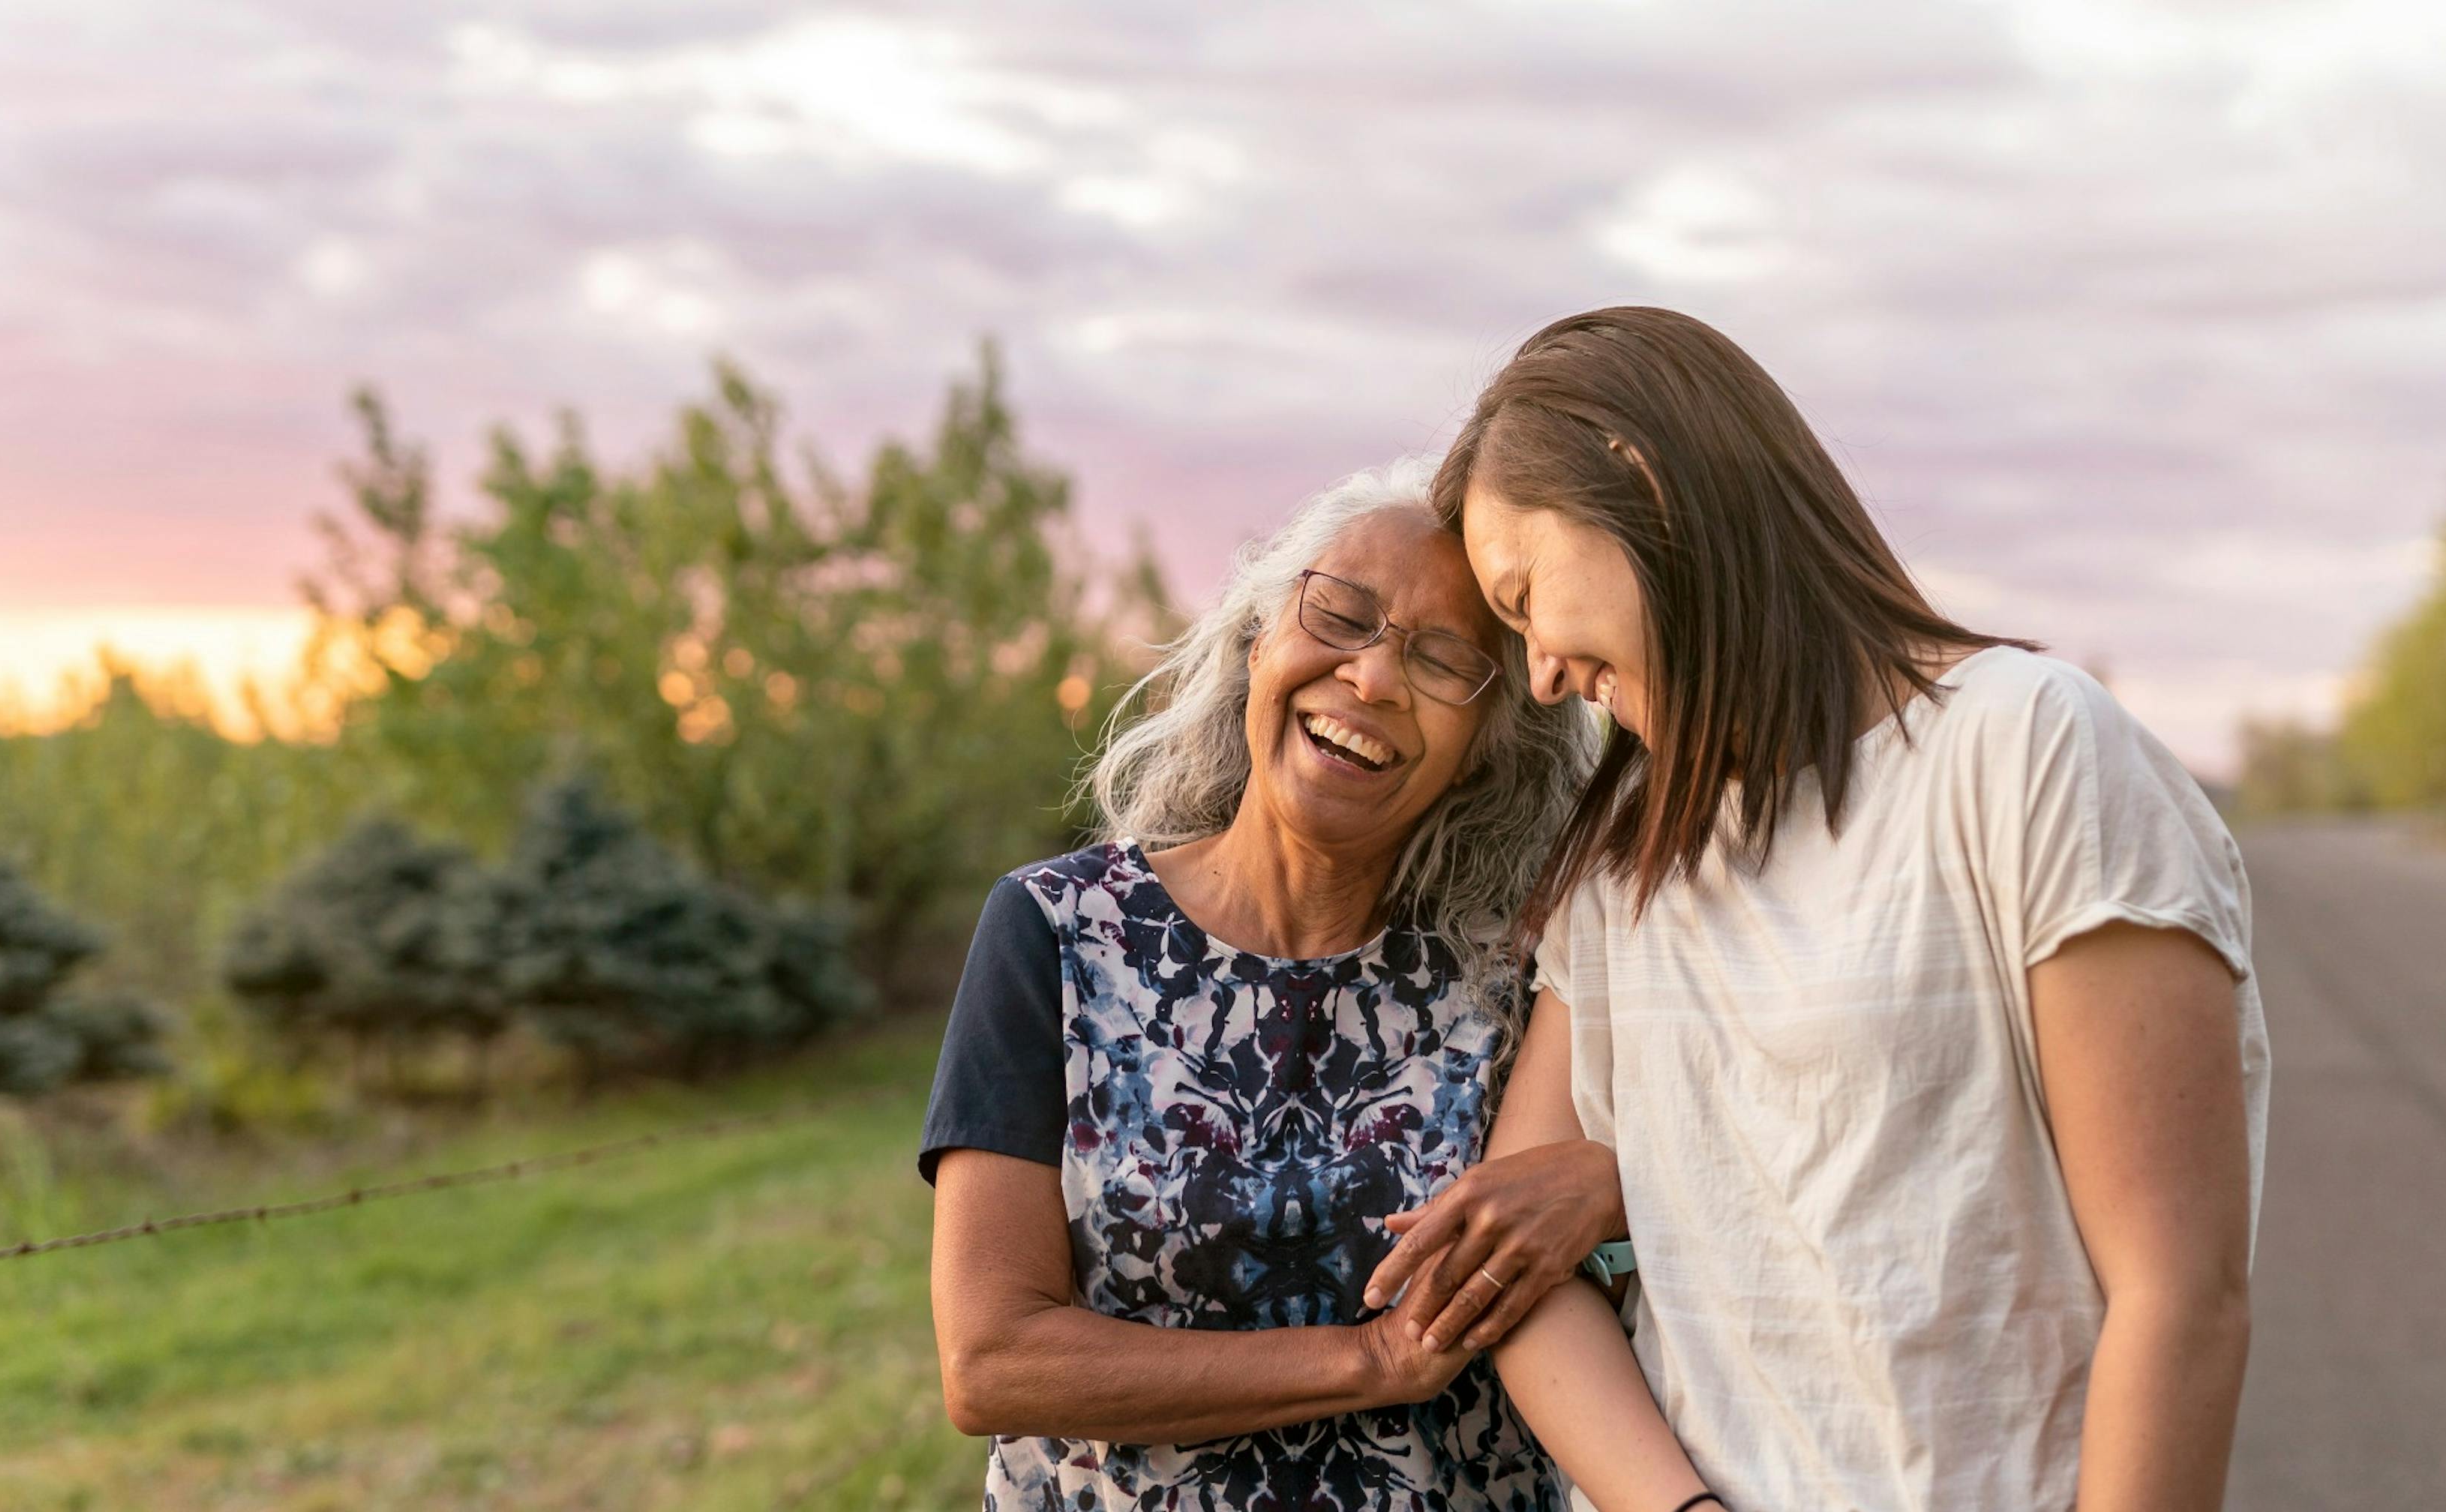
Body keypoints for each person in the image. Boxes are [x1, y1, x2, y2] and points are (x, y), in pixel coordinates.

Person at [1373, 307, 2270, 1512]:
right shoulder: (1628, 852)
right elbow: (1516, 1280)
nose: (1539, 672)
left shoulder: (2030, 751)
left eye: (1528, 594)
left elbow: (2179, 1299)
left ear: (1638, 479)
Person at [920, 459, 1602, 1509]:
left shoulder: (1521, 977)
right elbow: (994, 1358)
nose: (1372, 679)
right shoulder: (1058, 931)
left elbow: (1702, 1177)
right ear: (1258, 641)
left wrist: (1612, 1186)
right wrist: (1368, 1360)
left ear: (1484, 748)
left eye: (1442, 662)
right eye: (1340, 616)